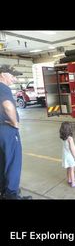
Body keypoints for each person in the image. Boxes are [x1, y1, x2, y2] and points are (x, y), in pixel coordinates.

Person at [0, 64, 32, 199]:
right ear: (2, 74)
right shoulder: (3, 88)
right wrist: (15, 122)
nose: (15, 79)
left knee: (3, 160)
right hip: (7, 130)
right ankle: (11, 194)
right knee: (14, 161)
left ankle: (4, 191)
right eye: (12, 75)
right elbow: (7, 105)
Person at [59, 121, 75, 188]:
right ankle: (73, 183)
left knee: (68, 168)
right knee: (72, 169)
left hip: (65, 154)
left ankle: (69, 179)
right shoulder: (70, 138)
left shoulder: (63, 137)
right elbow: (72, 149)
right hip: (70, 155)